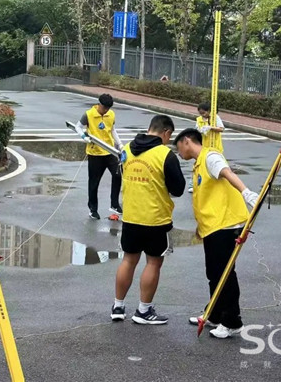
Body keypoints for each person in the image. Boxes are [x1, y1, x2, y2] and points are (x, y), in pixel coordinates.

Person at [174, 128, 259, 338]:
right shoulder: (198, 163)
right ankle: (215, 313)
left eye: (178, 148)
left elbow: (227, 173)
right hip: (212, 226)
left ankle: (232, 321)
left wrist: (246, 193)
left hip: (226, 225)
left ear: (187, 141)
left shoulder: (210, 157)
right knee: (213, 273)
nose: (179, 153)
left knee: (224, 273)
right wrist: (200, 227)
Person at [111, 115, 185, 325]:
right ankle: (143, 310)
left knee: (128, 260)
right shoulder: (165, 155)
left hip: (131, 217)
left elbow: (121, 175)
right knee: (153, 262)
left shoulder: (126, 150)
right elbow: (178, 189)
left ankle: (118, 306)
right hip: (156, 219)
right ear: (166, 133)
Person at [75, 93, 123, 220]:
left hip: (109, 151)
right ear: (99, 104)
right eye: (104, 107)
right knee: (94, 183)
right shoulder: (89, 114)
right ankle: (93, 209)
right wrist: (83, 136)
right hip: (95, 153)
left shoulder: (111, 114)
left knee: (118, 175)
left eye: (108, 108)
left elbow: (112, 130)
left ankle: (114, 204)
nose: (106, 110)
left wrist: (120, 144)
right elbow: (78, 126)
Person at [188, 103, 225, 193]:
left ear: (209, 111)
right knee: (198, 164)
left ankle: (215, 184)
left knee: (215, 165)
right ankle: (193, 184)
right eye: (201, 113)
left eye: (204, 113)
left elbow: (221, 128)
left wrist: (210, 128)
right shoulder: (199, 119)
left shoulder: (215, 118)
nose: (202, 115)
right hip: (203, 146)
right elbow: (196, 130)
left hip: (215, 146)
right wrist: (199, 131)